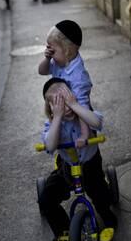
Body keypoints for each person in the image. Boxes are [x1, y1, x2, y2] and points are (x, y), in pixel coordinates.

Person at [38, 78, 117, 241]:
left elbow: (97, 123)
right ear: (51, 109)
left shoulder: (81, 112)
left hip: (90, 164)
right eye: (60, 104)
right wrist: (57, 118)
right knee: (46, 199)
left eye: (68, 100)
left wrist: (75, 106)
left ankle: (109, 220)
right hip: (66, 168)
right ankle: (64, 230)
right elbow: (50, 146)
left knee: (100, 195)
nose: (66, 108)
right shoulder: (52, 124)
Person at [38, 20, 92, 149]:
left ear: (67, 51)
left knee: (87, 160)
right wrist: (47, 58)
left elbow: (82, 105)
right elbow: (42, 71)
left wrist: (85, 136)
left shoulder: (79, 77)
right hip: (61, 113)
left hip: (77, 116)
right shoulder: (58, 61)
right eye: (48, 49)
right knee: (63, 144)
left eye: (53, 50)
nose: (50, 53)